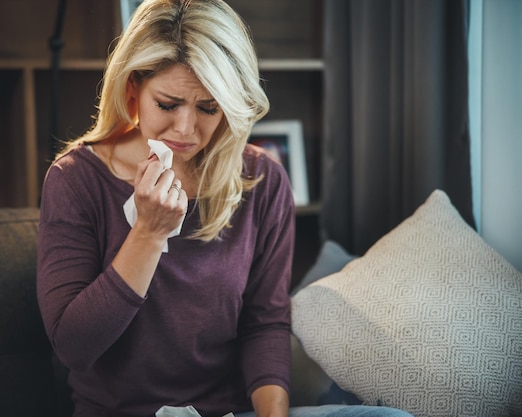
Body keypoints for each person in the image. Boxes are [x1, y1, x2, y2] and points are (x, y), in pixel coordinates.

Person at [37, 1, 413, 416]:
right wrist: (147, 233)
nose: (185, 129)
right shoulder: (75, 180)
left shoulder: (262, 178)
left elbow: (264, 322)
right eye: (167, 104)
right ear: (132, 91)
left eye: (208, 108)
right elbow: (73, 348)